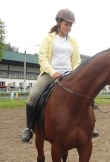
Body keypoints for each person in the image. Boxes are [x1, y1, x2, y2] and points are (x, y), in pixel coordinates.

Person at [20, 8, 99, 143]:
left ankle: (91, 126)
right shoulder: (49, 38)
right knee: (32, 96)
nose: (68, 27)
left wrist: (75, 73)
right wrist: (52, 72)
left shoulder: (73, 41)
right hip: (51, 74)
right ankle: (29, 129)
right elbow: (43, 58)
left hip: (70, 75)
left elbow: (76, 61)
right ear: (59, 23)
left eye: (70, 25)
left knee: (87, 95)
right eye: (66, 24)